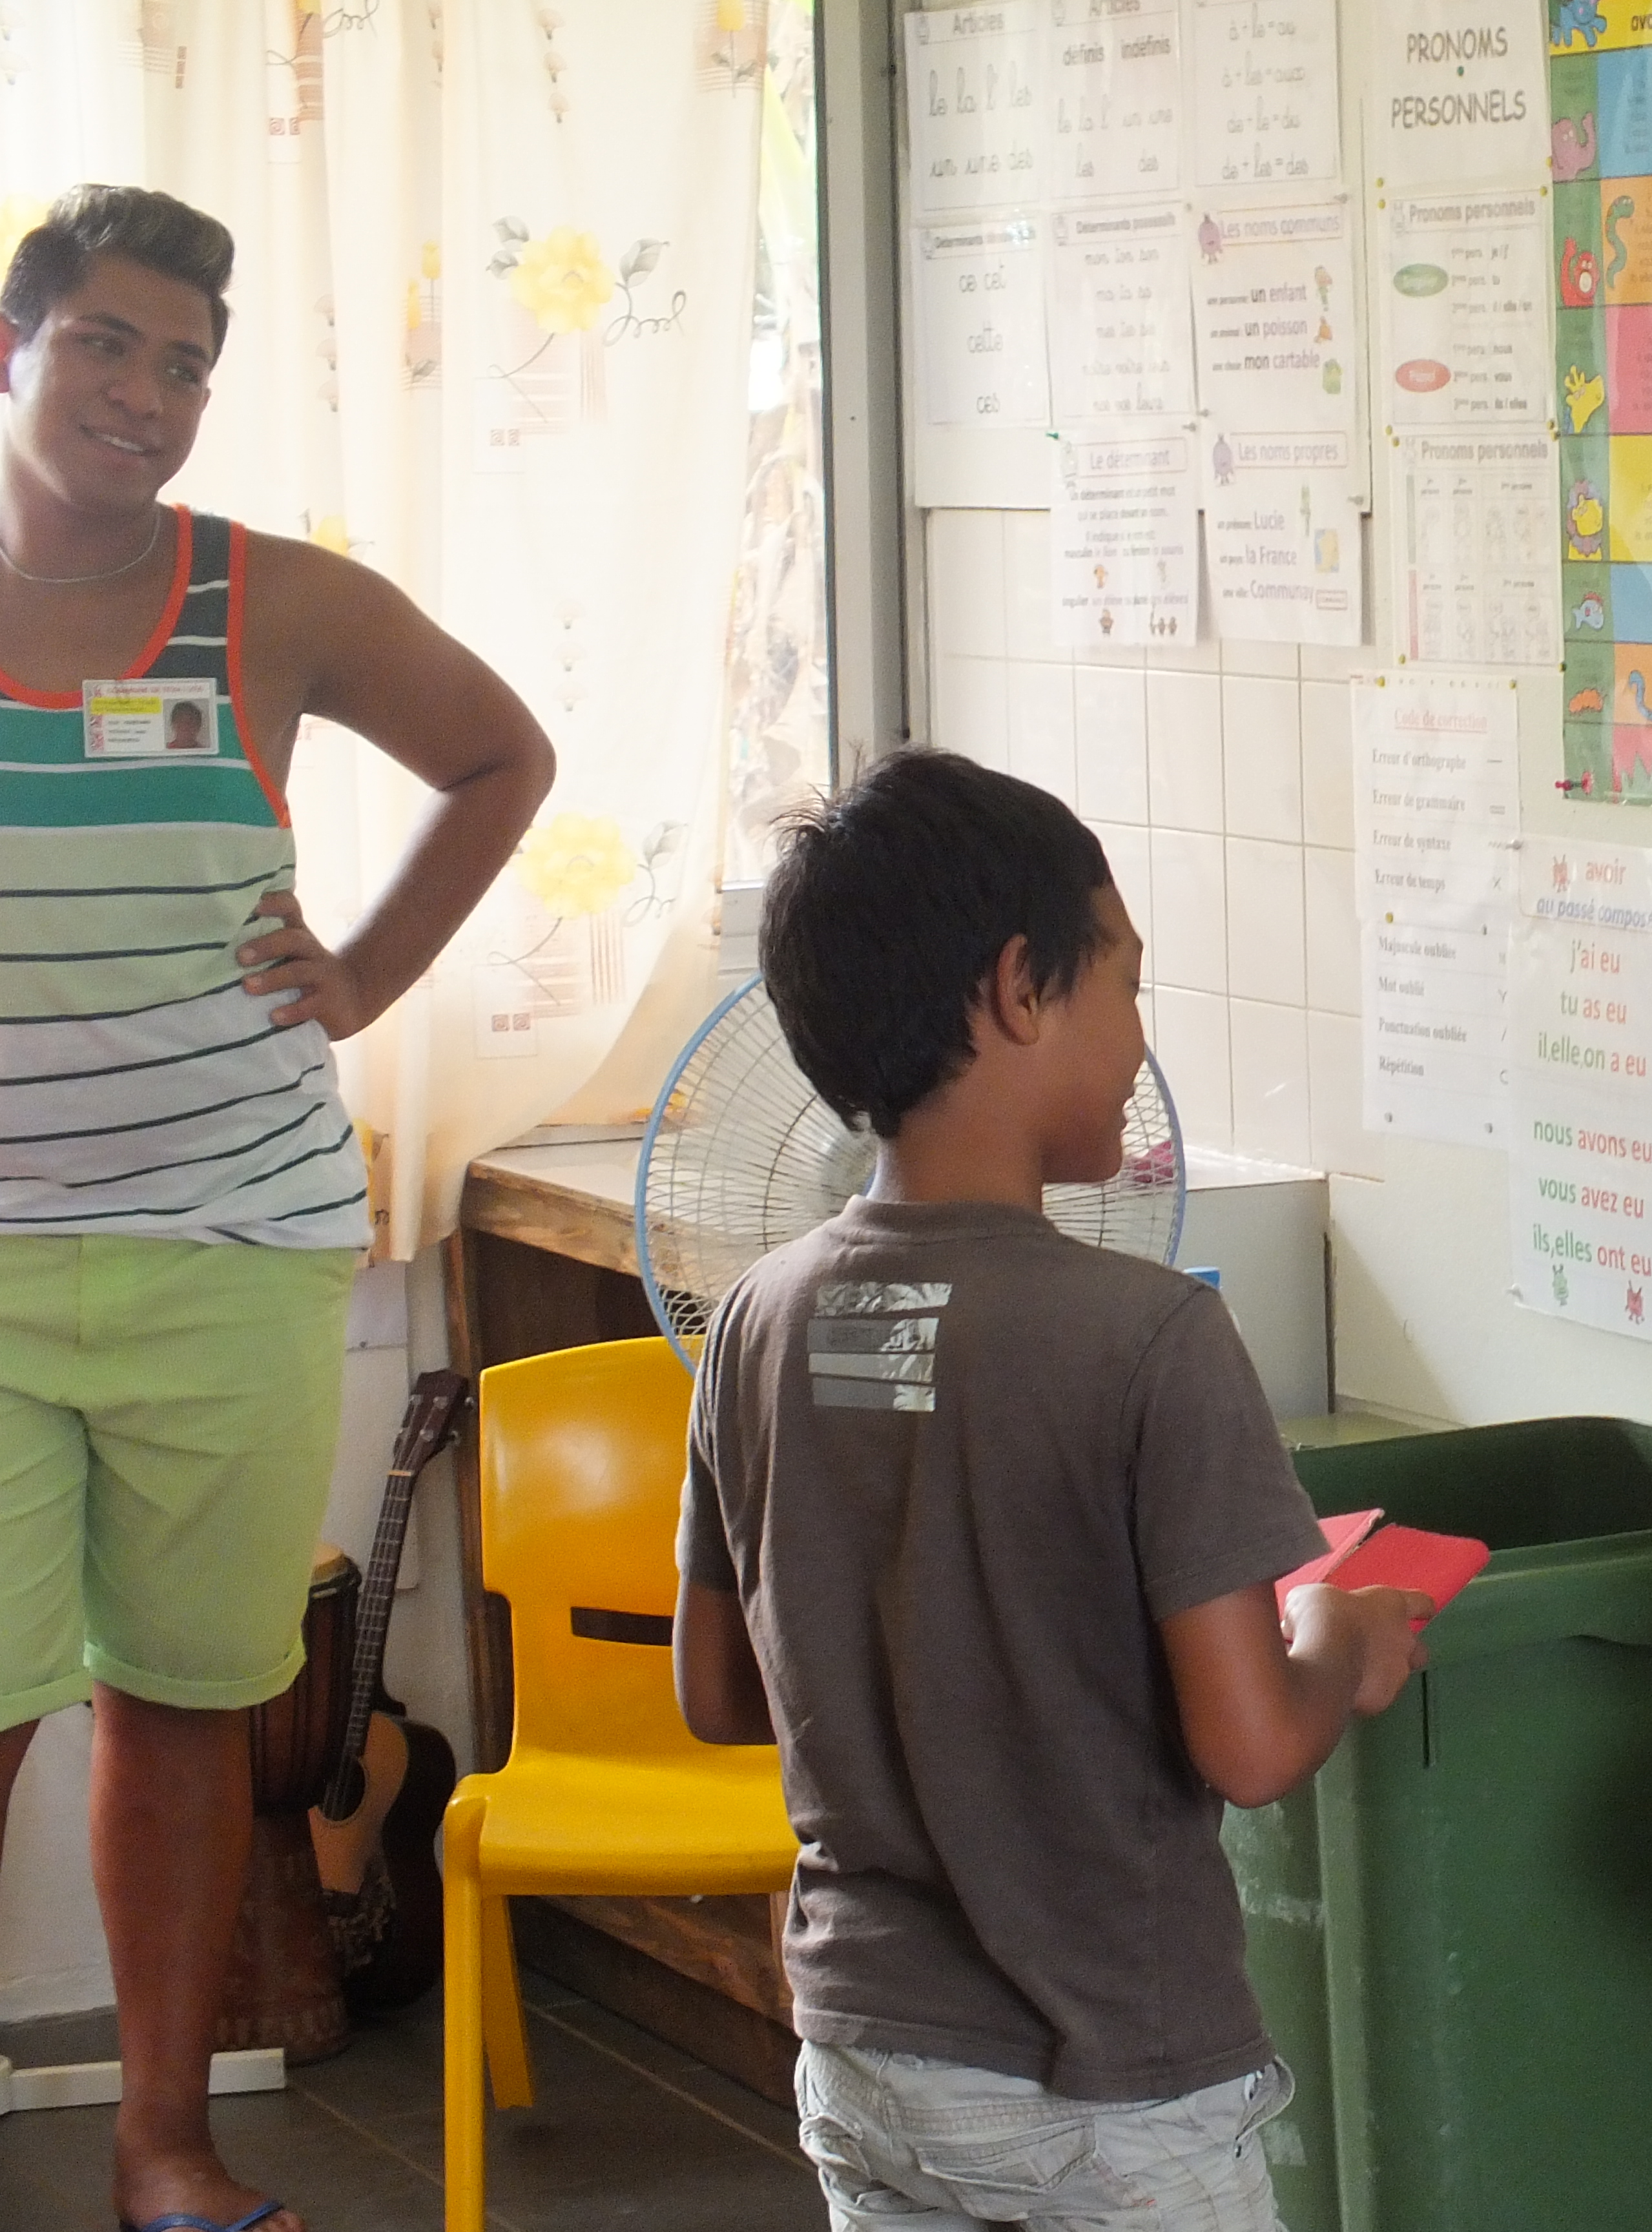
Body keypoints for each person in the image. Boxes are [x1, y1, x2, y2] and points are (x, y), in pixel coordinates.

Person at [0, 186, 552, 2232]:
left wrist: (370, 977)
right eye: (104, 343)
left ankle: (165, 2146)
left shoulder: (272, 603)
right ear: (14, 346)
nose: (144, 395)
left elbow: (500, 756)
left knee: (183, 1711)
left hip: (231, 1240)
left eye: (184, 366)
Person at [674, 749, 1429, 2231]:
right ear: (1021, 990)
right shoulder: (1149, 1338)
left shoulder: (758, 1317)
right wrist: (1343, 1644)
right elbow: (1250, 1747)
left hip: (866, 2055)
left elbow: (719, 1692)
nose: (1141, 1038)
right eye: (1127, 985)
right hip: (1113, 2090)